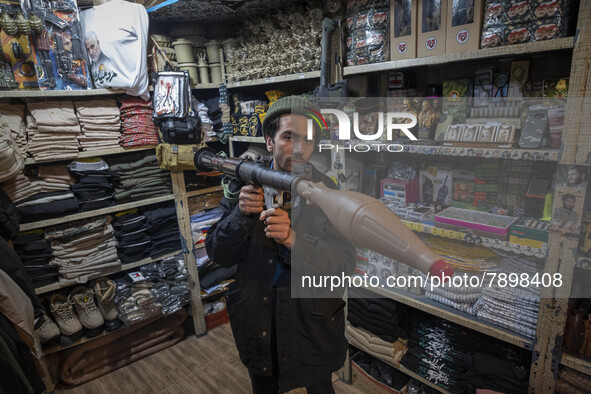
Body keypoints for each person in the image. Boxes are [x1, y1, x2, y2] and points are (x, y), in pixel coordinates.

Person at [205, 96, 356, 393]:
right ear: (269, 141)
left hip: (311, 322)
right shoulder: (245, 183)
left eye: (308, 140)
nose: (300, 149)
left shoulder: (327, 192)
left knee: (320, 387)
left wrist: (294, 240)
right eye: (289, 136)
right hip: (261, 321)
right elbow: (217, 253)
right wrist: (240, 214)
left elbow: (344, 264)